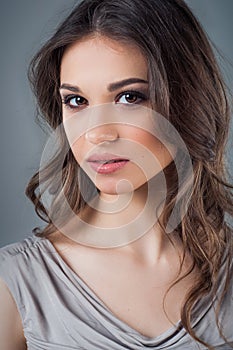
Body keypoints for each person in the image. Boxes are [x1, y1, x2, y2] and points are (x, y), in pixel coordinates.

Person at [0, 0, 233, 349]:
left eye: (128, 97)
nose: (97, 133)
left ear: (188, 101)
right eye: (76, 101)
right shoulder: (14, 282)